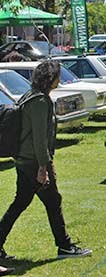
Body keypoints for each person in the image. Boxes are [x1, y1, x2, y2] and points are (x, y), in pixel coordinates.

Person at [0, 60, 91, 261]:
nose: (60, 79)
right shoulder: (40, 102)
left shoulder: (30, 95)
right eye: (58, 76)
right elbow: (39, 137)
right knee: (47, 201)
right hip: (34, 161)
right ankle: (65, 246)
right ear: (51, 78)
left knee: (28, 202)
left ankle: (64, 245)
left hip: (25, 159)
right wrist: (44, 166)